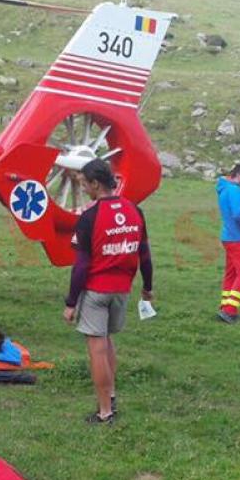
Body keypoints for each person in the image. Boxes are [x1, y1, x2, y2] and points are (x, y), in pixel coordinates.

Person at [63, 159, 154, 425]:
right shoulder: (135, 211)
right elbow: (145, 256)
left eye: (84, 184)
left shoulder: (89, 217)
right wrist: (147, 288)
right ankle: (111, 394)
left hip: (96, 291)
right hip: (122, 291)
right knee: (107, 341)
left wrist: (70, 302)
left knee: (97, 350)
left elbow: (81, 265)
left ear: (95, 183)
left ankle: (105, 412)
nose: (84, 189)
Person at [216, 164, 240, 323]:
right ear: (238, 176)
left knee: (231, 273)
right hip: (238, 238)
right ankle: (230, 310)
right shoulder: (235, 190)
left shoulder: (225, 189)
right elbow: (238, 214)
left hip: (228, 237)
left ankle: (225, 305)